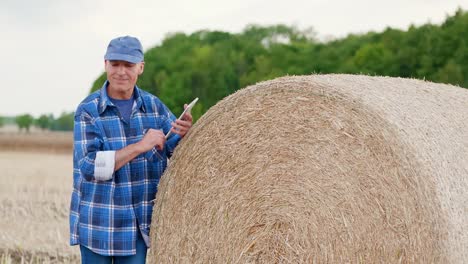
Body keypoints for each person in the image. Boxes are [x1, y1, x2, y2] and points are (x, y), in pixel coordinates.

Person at [69, 35, 193, 263]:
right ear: (105, 64)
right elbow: (89, 166)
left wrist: (185, 132)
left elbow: (177, 152)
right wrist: (139, 147)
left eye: (128, 65)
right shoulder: (88, 111)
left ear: (141, 67)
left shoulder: (154, 107)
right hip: (99, 225)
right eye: (115, 64)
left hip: (138, 226)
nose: (121, 72)